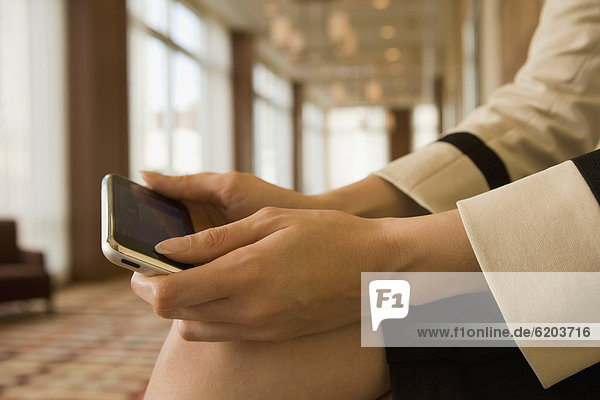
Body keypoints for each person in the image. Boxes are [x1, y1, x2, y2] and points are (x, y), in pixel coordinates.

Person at [130, 0, 600, 398]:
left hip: (589, 307)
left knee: (241, 357)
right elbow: (558, 97)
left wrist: (389, 256)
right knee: (225, 344)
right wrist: (337, 210)